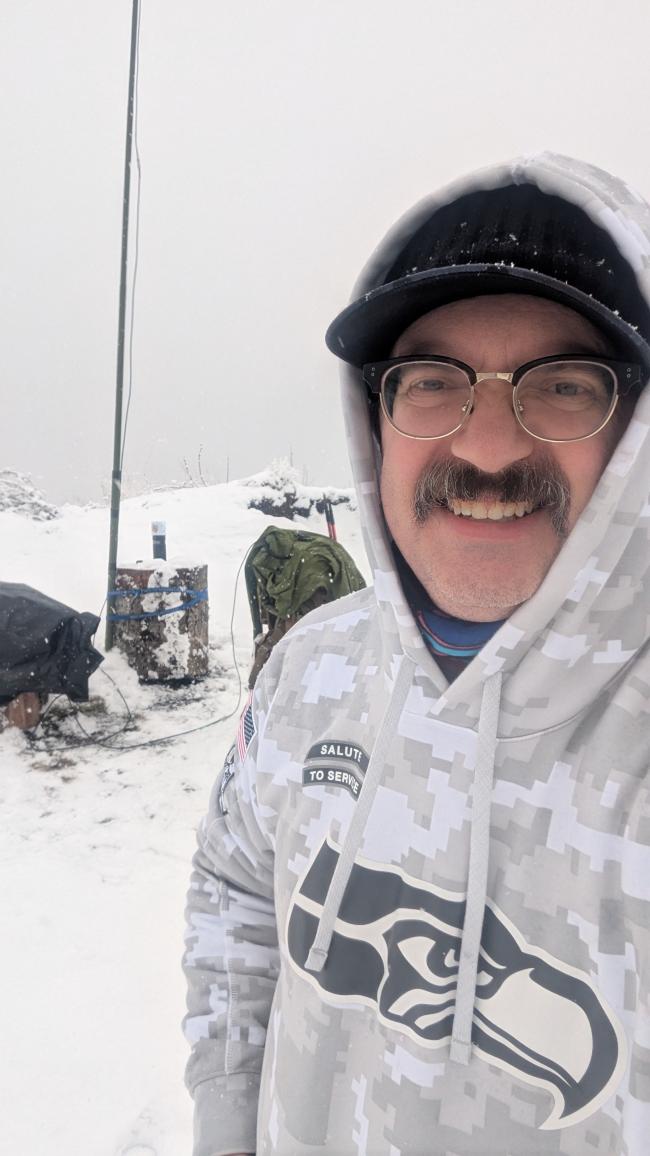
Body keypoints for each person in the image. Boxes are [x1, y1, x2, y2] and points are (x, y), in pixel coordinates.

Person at [183, 154, 650, 1156]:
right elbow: (233, 883)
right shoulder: (310, 670)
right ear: (373, 421)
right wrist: (228, 1116)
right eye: (432, 382)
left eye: (563, 386)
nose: (484, 447)